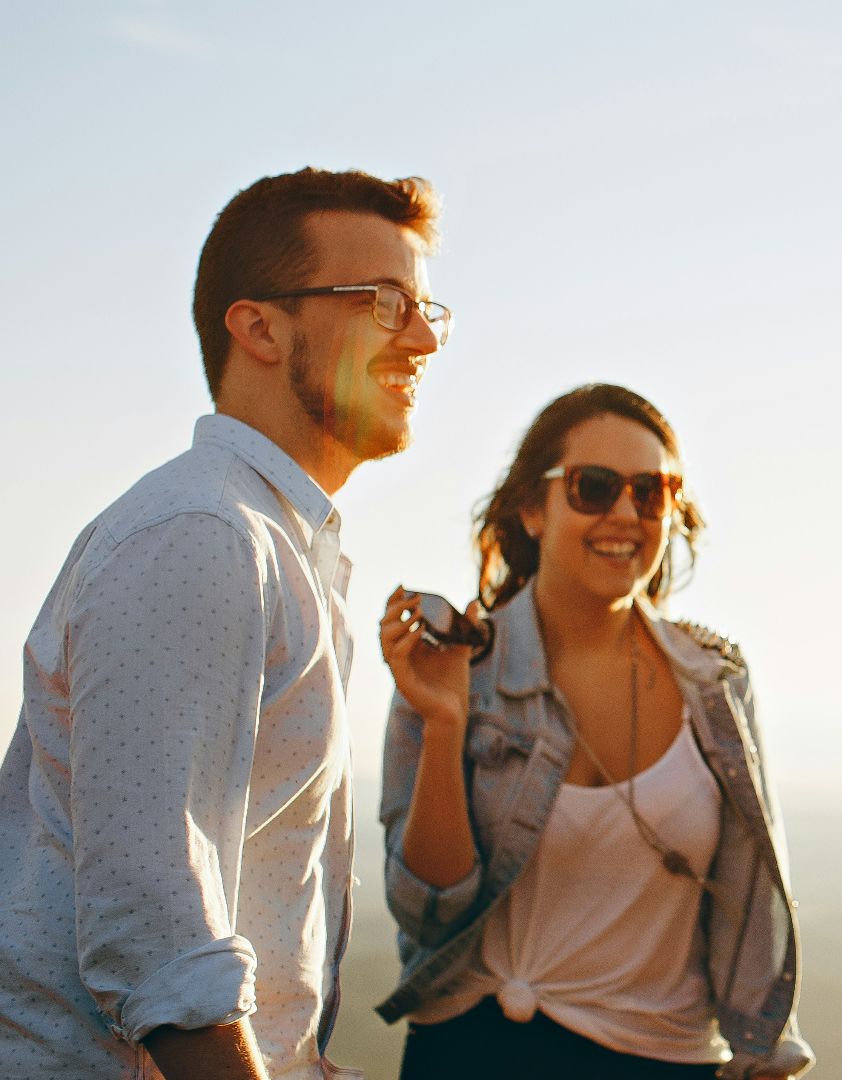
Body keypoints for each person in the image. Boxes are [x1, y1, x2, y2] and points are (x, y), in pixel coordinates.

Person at [0, 168, 447, 1078]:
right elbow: (161, 944)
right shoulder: (203, 534)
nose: (424, 337)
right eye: (385, 302)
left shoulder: (279, 548)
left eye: (427, 307)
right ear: (260, 328)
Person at [375, 384, 812, 1080]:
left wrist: (764, 1052)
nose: (626, 514)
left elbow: (751, 902)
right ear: (532, 508)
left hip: (663, 1061)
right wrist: (444, 723)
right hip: (472, 1053)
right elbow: (428, 913)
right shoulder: (456, 668)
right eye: (595, 487)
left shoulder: (716, 683)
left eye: (652, 493)